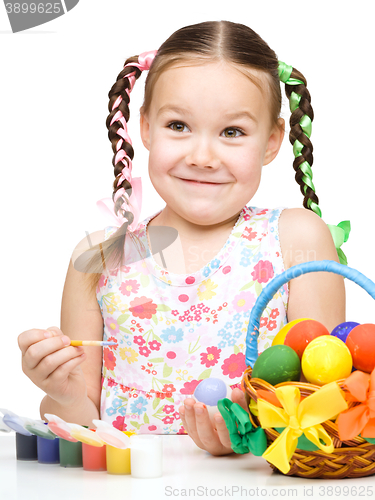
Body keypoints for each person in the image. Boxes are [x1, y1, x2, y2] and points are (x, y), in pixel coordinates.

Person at [18, 20, 346, 456]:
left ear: (271, 142)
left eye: (232, 132)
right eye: (178, 126)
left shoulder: (295, 238)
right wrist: (60, 392)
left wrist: (248, 431)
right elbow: (83, 423)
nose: (203, 157)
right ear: (146, 129)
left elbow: (324, 404)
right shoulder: (99, 257)